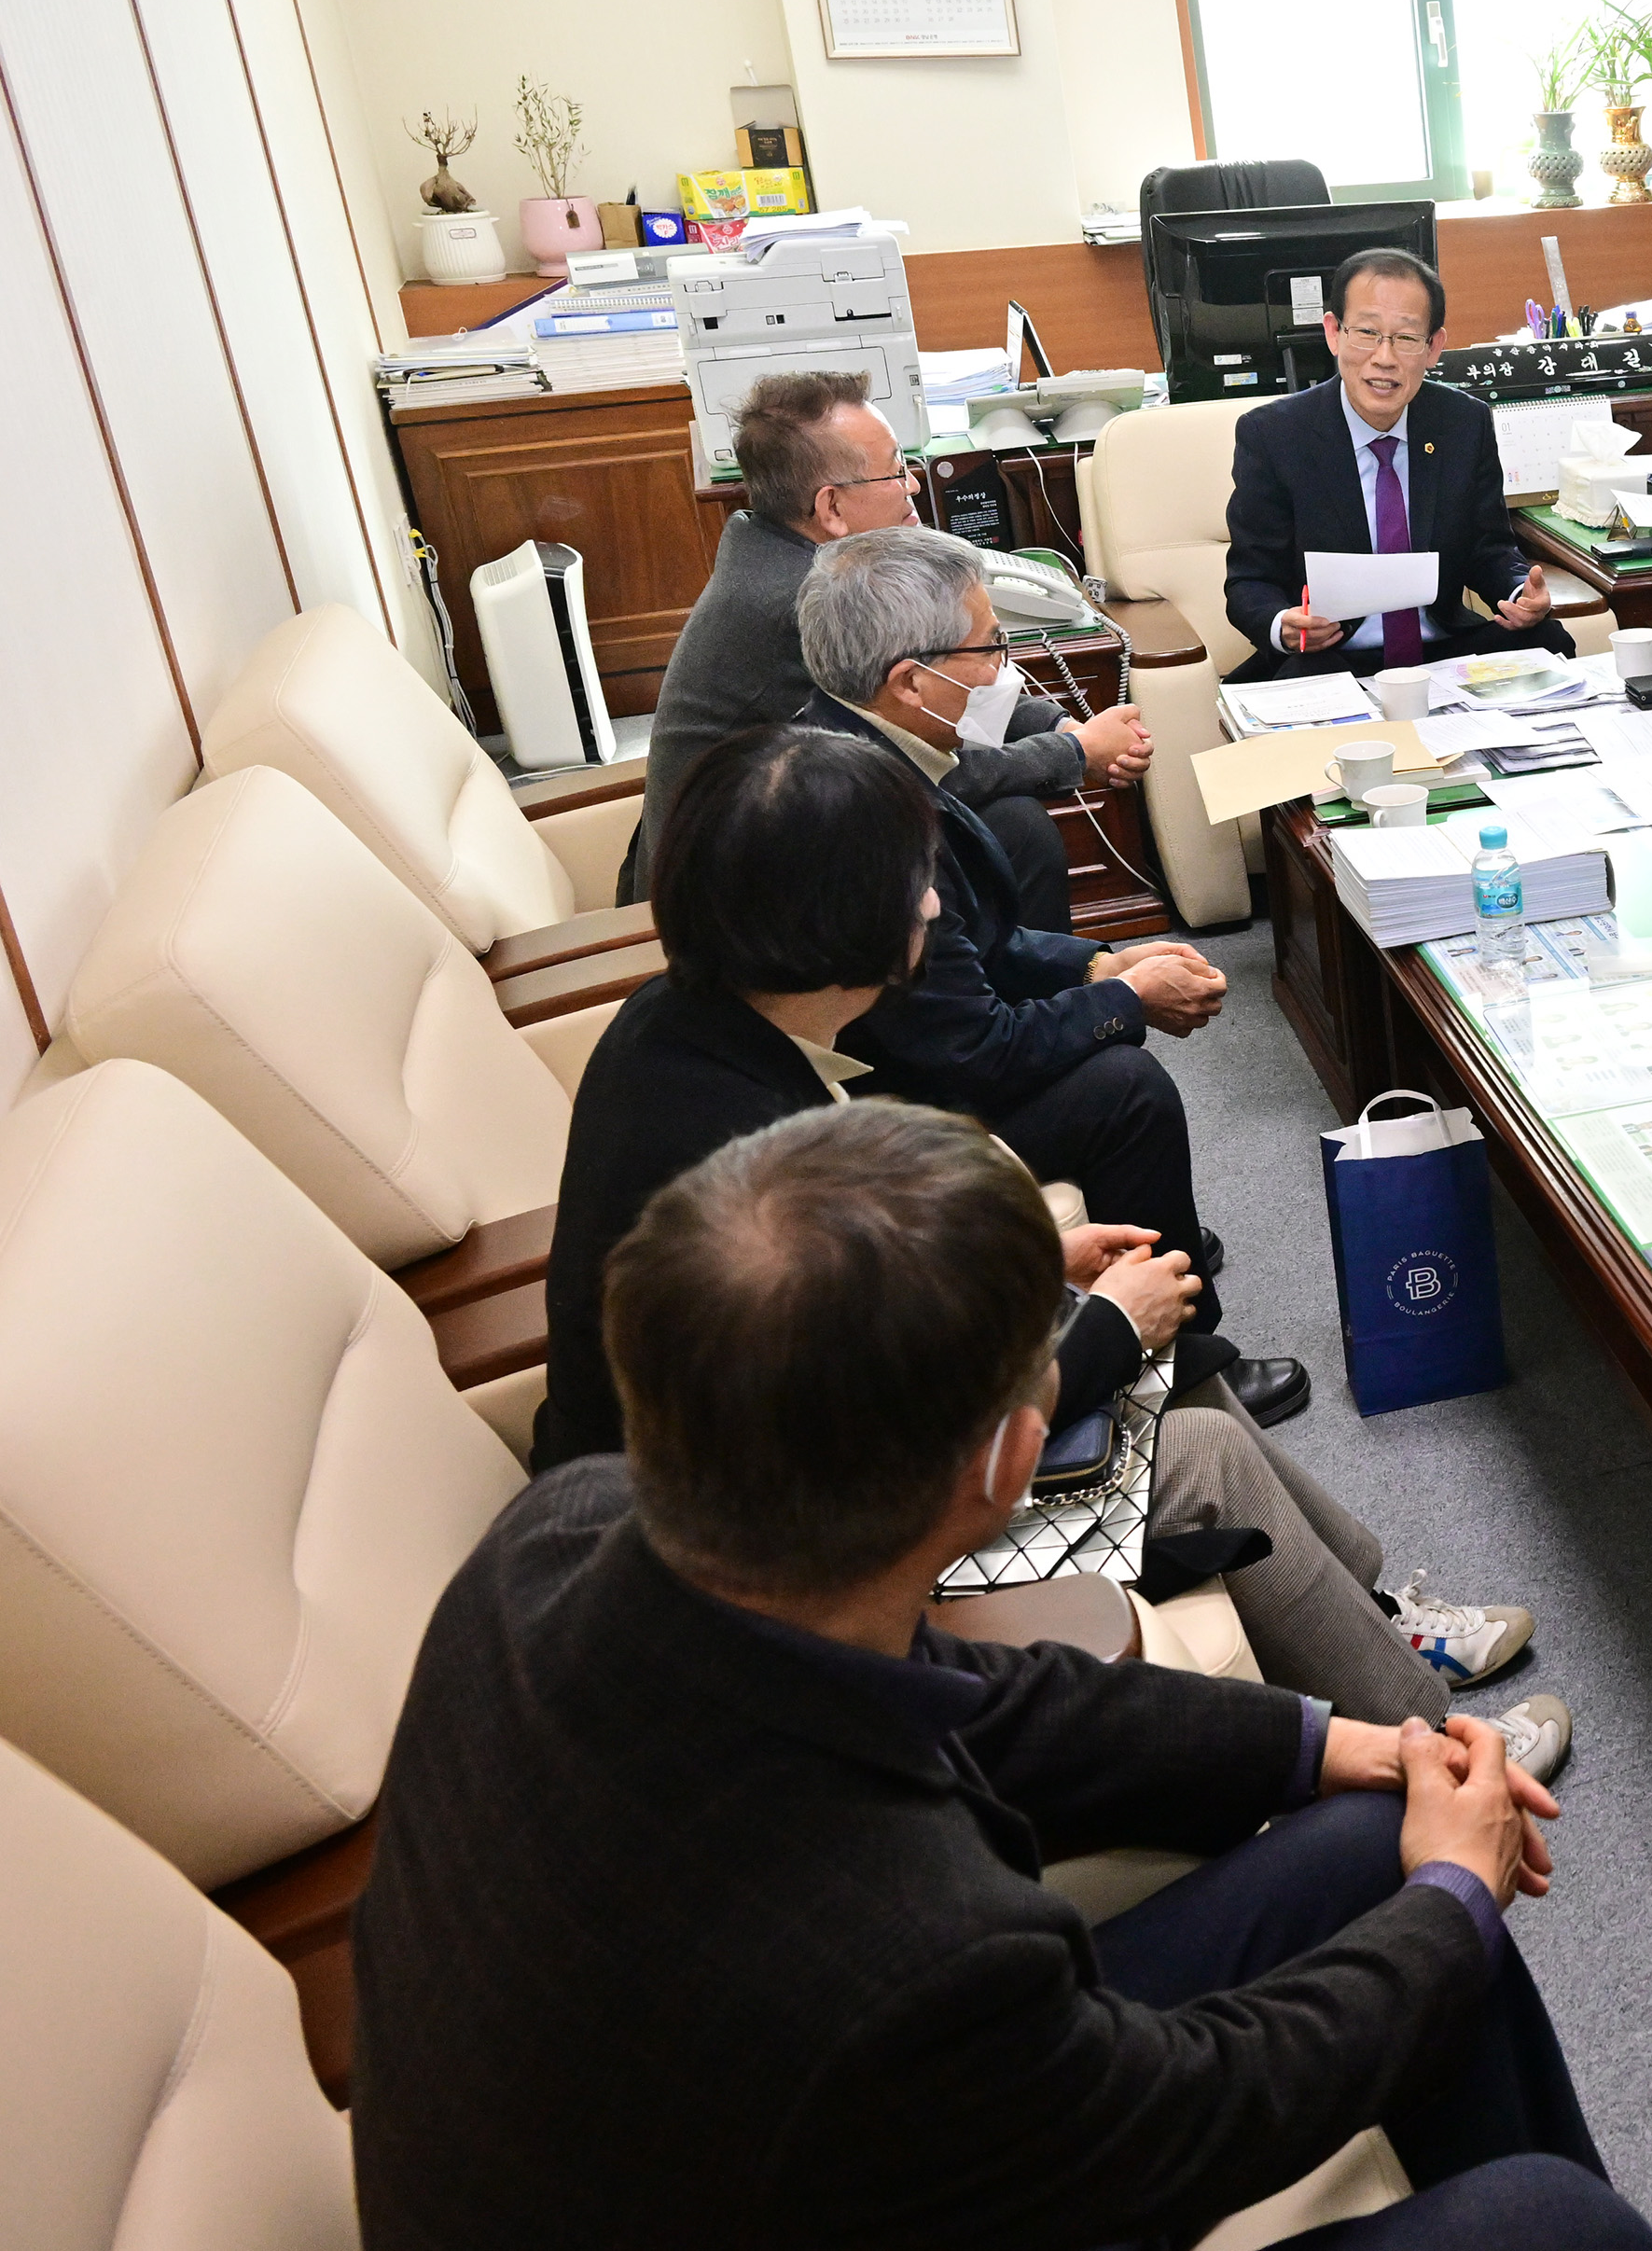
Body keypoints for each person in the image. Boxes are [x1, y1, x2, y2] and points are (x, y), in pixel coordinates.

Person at [349, 1102, 1652, 2251]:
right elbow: (1188, 2116)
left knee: (1373, 1835)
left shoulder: (569, 1526)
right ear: (1009, 1459)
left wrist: (1334, 1742)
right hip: (913, 2146)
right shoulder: (914, 1958)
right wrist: (1451, 1900)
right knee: (1555, 2223)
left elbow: (989, 1696)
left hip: (767, 2152)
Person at [535, 721, 1563, 1757]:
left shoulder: (685, 1027)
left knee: (1184, 1360)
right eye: (916, 886)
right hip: (767, 1567)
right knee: (1193, 1444)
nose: (936, 907)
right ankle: (1440, 1752)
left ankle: (1382, 1621)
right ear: (840, 923)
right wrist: (1105, 1333)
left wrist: (1037, 1274)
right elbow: (903, 1445)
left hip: (763, 1473)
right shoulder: (748, 1151)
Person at [792, 526, 1310, 1429]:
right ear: (910, 680)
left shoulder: (859, 739)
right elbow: (972, 1051)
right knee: (1124, 1089)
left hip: (905, 1057)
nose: (1005, 672)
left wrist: (1100, 961)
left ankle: (1156, 1282)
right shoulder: (869, 817)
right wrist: (1126, 1000)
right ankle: (1189, 1370)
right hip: (888, 1112)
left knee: (1112, 1063)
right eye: (988, 649)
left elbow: (975, 944)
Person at [627, 367, 1151, 924]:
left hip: (768, 827)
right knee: (1011, 831)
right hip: (731, 894)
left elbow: (951, 666)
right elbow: (917, 765)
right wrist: (1075, 752)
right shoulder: (803, 602)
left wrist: (1058, 727)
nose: (915, 485)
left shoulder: (777, 546)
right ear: (831, 508)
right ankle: (1029, 1003)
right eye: (896, 472)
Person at [1223, 247, 1556, 682]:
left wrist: (1518, 590)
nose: (1384, 357)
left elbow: (1487, 548)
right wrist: (1281, 624)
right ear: (1333, 333)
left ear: (1434, 347)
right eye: (1366, 332)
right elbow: (1249, 579)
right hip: (1331, 657)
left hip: (1443, 651)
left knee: (1549, 641)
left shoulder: (1463, 423)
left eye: (1406, 338)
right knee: (1304, 677)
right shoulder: (1274, 435)